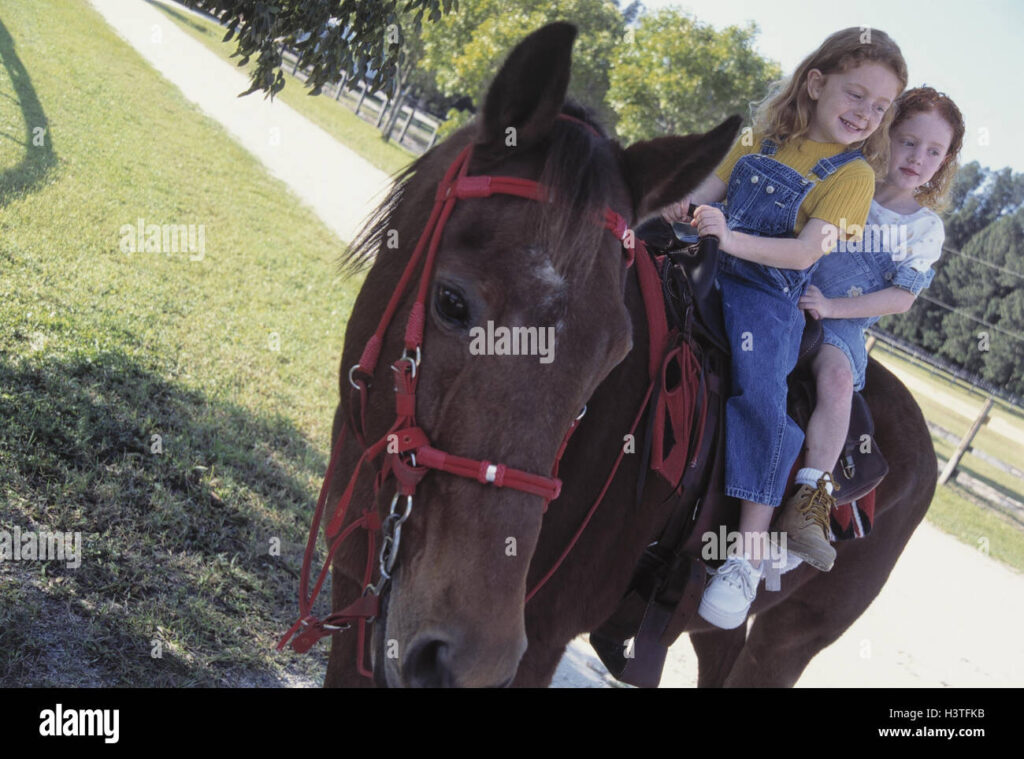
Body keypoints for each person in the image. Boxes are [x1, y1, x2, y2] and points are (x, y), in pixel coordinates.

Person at [660, 27, 907, 629]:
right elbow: (707, 193)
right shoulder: (758, 137)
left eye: (880, 108)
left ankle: (744, 555)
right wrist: (679, 206)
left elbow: (802, 256)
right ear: (816, 83)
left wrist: (729, 237)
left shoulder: (853, 177)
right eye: (856, 95)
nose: (865, 115)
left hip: (766, 292)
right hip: (708, 257)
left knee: (763, 392)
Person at [792, 86, 964, 566]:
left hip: (839, 321)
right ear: (886, 133)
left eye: (934, 151)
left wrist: (830, 307)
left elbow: (902, 297)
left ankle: (810, 501)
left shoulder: (923, 228)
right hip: (785, 282)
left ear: (945, 161)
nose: (917, 158)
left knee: (837, 378)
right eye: (908, 141)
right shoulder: (848, 176)